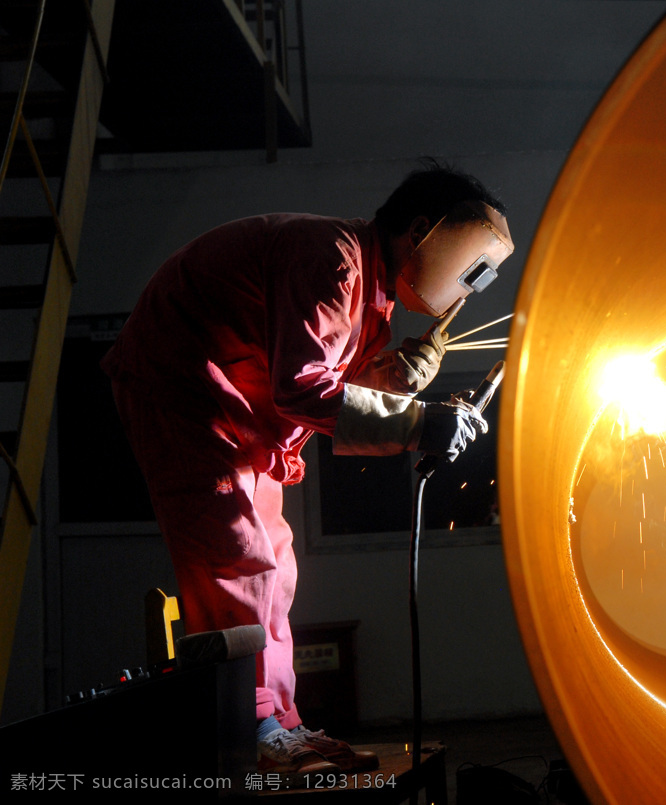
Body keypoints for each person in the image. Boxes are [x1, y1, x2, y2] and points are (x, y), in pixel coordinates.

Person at [102, 163, 514, 777]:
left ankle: (281, 723)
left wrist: (395, 380)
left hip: (239, 411)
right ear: (422, 230)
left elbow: (327, 385)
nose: (467, 291)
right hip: (186, 389)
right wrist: (419, 423)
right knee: (239, 555)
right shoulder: (333, 260)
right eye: (469, 272)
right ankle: (252, 723)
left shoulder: (367, 294)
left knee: (276, 564)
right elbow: (303, 391)